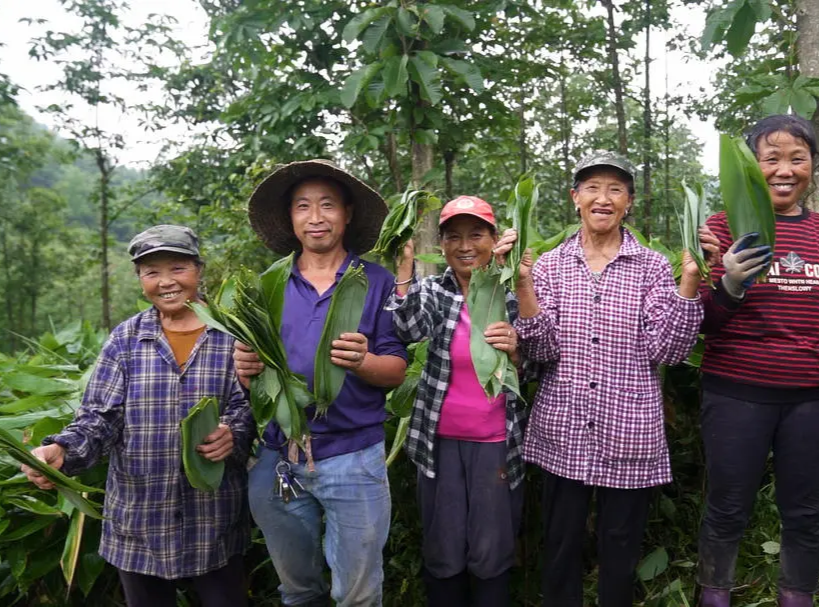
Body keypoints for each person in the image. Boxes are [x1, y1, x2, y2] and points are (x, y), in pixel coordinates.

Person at [21, 225, 255, 607]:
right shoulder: (126, 340)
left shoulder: (234, 335)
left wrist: (234, 432)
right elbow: (99, 417)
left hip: (214, 521)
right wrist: (62, 450)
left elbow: (251, 407)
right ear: (140, 278)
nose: (166, 282)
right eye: (151, 272)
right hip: (139, 521)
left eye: (178, 268)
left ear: (199, 269)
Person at [695, 114, 819, 607]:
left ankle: (797, 597)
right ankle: (714, 594)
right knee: (728, 506)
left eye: (797, 158)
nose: (784, 169)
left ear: (813, 166)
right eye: (771, 158)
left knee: (805, 510)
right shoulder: (720, 227)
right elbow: (701, 320)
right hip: (737, 393)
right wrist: (730, 282)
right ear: (752, 167)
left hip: (815, 396)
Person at [513, 150, 706, 606]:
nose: (604, 198)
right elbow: (542, 350)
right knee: (561, 543)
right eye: (593, 188)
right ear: (575, 197)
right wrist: (523, 288)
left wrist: (691, 281)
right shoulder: (549, 266)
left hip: (629, 429)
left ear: (629, 203)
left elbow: (669, 350)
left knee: (620, 545)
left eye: (615, 189)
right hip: (564, 428)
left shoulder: (654, 267)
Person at [235, 160, 408, 607]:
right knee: (296, 591)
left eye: (328, 205)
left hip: (354, 458)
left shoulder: (375, 281)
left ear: (347, 214)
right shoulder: (271, 283)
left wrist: (364, 362)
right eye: (303, 207)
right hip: (279, 457)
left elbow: (396, 370)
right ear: (290, 218)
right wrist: (245, 368)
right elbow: (253, 379)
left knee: (358, 594)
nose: (316, 217)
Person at [386, 196, 525, 607]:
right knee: (443, 545)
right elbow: (407, 327)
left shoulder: (511, 291)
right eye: (453, 236)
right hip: (439, 442)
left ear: (494, 239)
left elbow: (536, 364)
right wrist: (405, 267)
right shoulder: (434, 290)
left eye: (476, 234)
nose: (466, 245)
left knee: (492, 546)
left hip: (496, 441)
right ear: (442, 244)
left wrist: (518, 351)